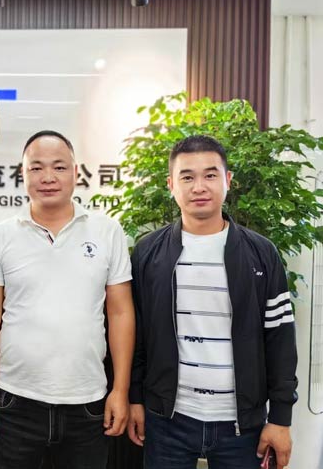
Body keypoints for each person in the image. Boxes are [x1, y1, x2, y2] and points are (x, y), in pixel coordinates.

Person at [127, 135, 298, 469]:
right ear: (171, 185)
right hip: (167, 421)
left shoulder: (261, 254)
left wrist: (281, 418)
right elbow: (138, 336)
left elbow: (280, 340)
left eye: (210, 175)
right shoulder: (148, 252)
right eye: (187, 177)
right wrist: (135, 398)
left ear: (227, 180)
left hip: (241, 425)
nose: (199, 187)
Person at [0, 130, 135, 469]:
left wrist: (120, 390)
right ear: (23, 173)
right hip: (14, 401)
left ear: (76, 172)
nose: (48, 177)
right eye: (36, 168)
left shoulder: (107, 232)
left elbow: (120, 313)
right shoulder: (1, 236)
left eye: (59, 167)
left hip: (88, 403)